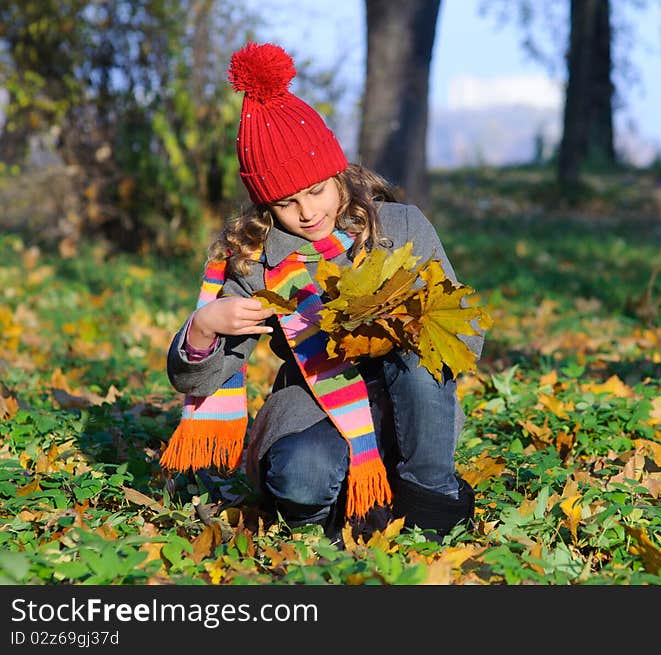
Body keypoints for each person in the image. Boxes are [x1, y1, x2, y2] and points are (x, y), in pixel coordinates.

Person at [163, 42, 484, 544]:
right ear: (266, 205)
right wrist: (204, 326)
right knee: (303, 475)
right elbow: (196, 375)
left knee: (419, 370)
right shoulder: (259, 260)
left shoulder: (400, 227)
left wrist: (402, 323)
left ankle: (429, 508)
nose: (308, 213)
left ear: (339, 175)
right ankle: (318, 524)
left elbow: (464, 335)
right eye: (287, 203)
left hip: (413, 406)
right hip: (317, 396)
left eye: (317, 191)